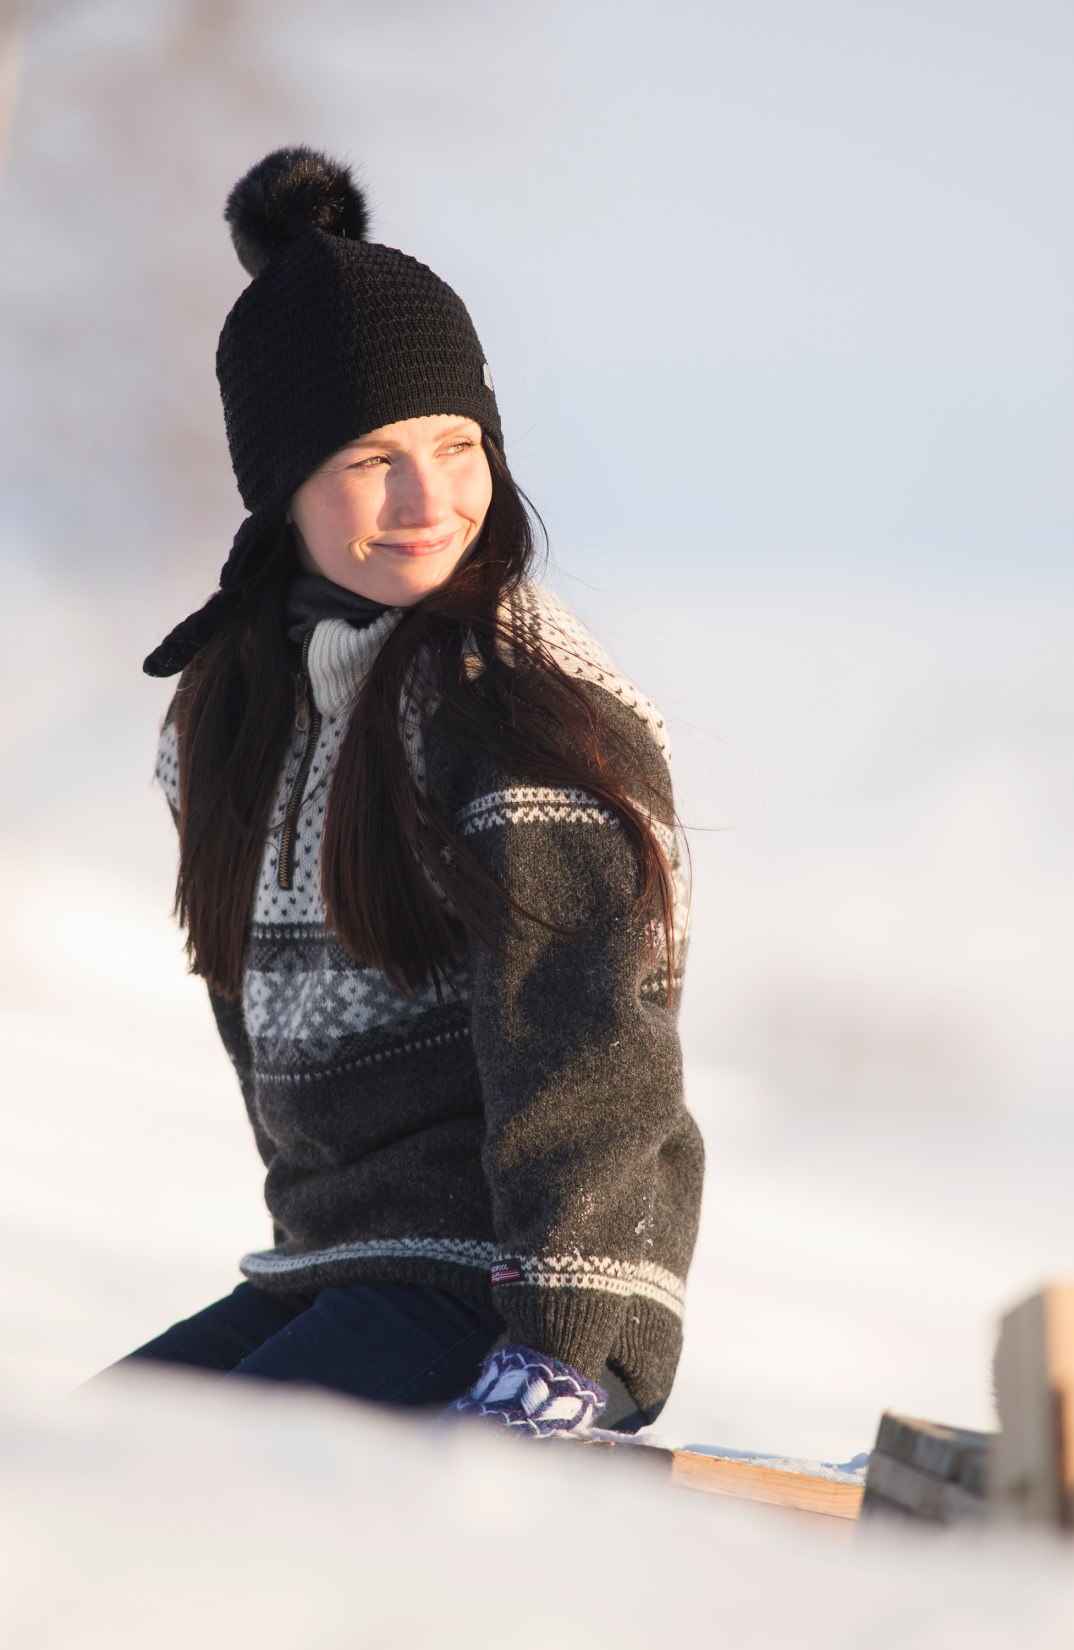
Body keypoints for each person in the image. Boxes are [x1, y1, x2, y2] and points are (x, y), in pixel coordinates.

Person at [85, 146, 704, 1438]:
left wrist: (563, 1347)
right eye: (373, 457)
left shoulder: (520, 710)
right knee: (62, 1465)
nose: (432, 500)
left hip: (513, 1288)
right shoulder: (234, 714)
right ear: (282, 487)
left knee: (159, 1497)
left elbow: (592, 1048)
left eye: (458, 445)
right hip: (337, 1261)